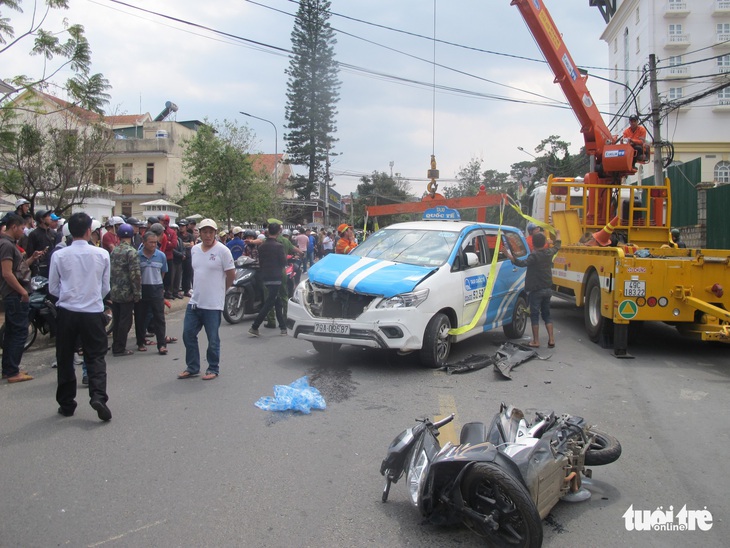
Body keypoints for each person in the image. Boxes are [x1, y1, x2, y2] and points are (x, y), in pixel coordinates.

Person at [49, 212, 112, 421]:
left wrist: (70, 297)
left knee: (65, 357)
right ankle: (98, 397)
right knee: (95, 356)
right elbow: (105, 287)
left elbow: (53, 287)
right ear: (89, 231)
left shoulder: (59, 255)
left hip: (67, 311)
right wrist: (92, 298)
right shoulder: (102, 254)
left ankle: (67, 404)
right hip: (92, 312)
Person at [178, 219, 235, 381]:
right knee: (188, 334)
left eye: (211, 232)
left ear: (215, 233)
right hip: (195, 302)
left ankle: (213, 368)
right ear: (200, 233)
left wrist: (222, 291)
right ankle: (192, 367)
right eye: (204, 232)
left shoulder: (223, 251)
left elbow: (231, 274)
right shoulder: (195, 250)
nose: (208, 235)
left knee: (212, 339)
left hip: (213, 304)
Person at [1, 213, 42, 383]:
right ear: (14, 227)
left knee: (12, 332)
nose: (24, 231)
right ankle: (12, 372)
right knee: (18, 332)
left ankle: (10, 368)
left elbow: (18, 269)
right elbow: (7, 273)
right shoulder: (6, 245)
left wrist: (32, 259)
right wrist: (23, 292)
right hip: (14, 295)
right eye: (22, 228)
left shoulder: (10, 244)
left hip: (14, 294)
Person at [504, 230, 562, 349]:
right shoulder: (549, 253)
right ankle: (551, 339)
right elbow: (557, 246)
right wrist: (558, 234)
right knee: (547, 315)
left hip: (536, 290)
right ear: (545, 243)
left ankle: (536, 341)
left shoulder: (534, 256)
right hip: (548, 289)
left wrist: (509, 255)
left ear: (534, 244)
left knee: (535, 315)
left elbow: (521, 263)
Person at [248, 222, 287, 337]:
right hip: (276, 277)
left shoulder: (262, 246)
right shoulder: (279, 246)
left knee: (277, 301)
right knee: (270, 302)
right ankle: (255, 326)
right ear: (279, 232)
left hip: (265, 276)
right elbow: (283, 262)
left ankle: (283, 328)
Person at [109, 223, 141, 357]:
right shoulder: (131, 252)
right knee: (125, 321)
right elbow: (135, 274)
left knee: (117, 319)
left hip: (115, 291)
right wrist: (137, 292)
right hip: (127, 292)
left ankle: (115, 344)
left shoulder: (114, 250)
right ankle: (119, 347)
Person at [135, 231, 168, 355]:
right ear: (144, 243)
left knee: (159, 317)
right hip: (142, 288)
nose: (153, 245)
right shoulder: (137, 256)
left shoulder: (161, 256)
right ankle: (141, 342)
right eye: (151, 242)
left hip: (156, 288)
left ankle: (161, 344)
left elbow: (163, 272)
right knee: (140, 317)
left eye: (155, 242)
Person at [26, 209, 55, 277]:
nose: (50, 218)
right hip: (39, 269)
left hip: (52, 266)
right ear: (42, 219)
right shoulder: (34, 234)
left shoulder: (53, 233)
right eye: (48, 216)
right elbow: (30, 253)